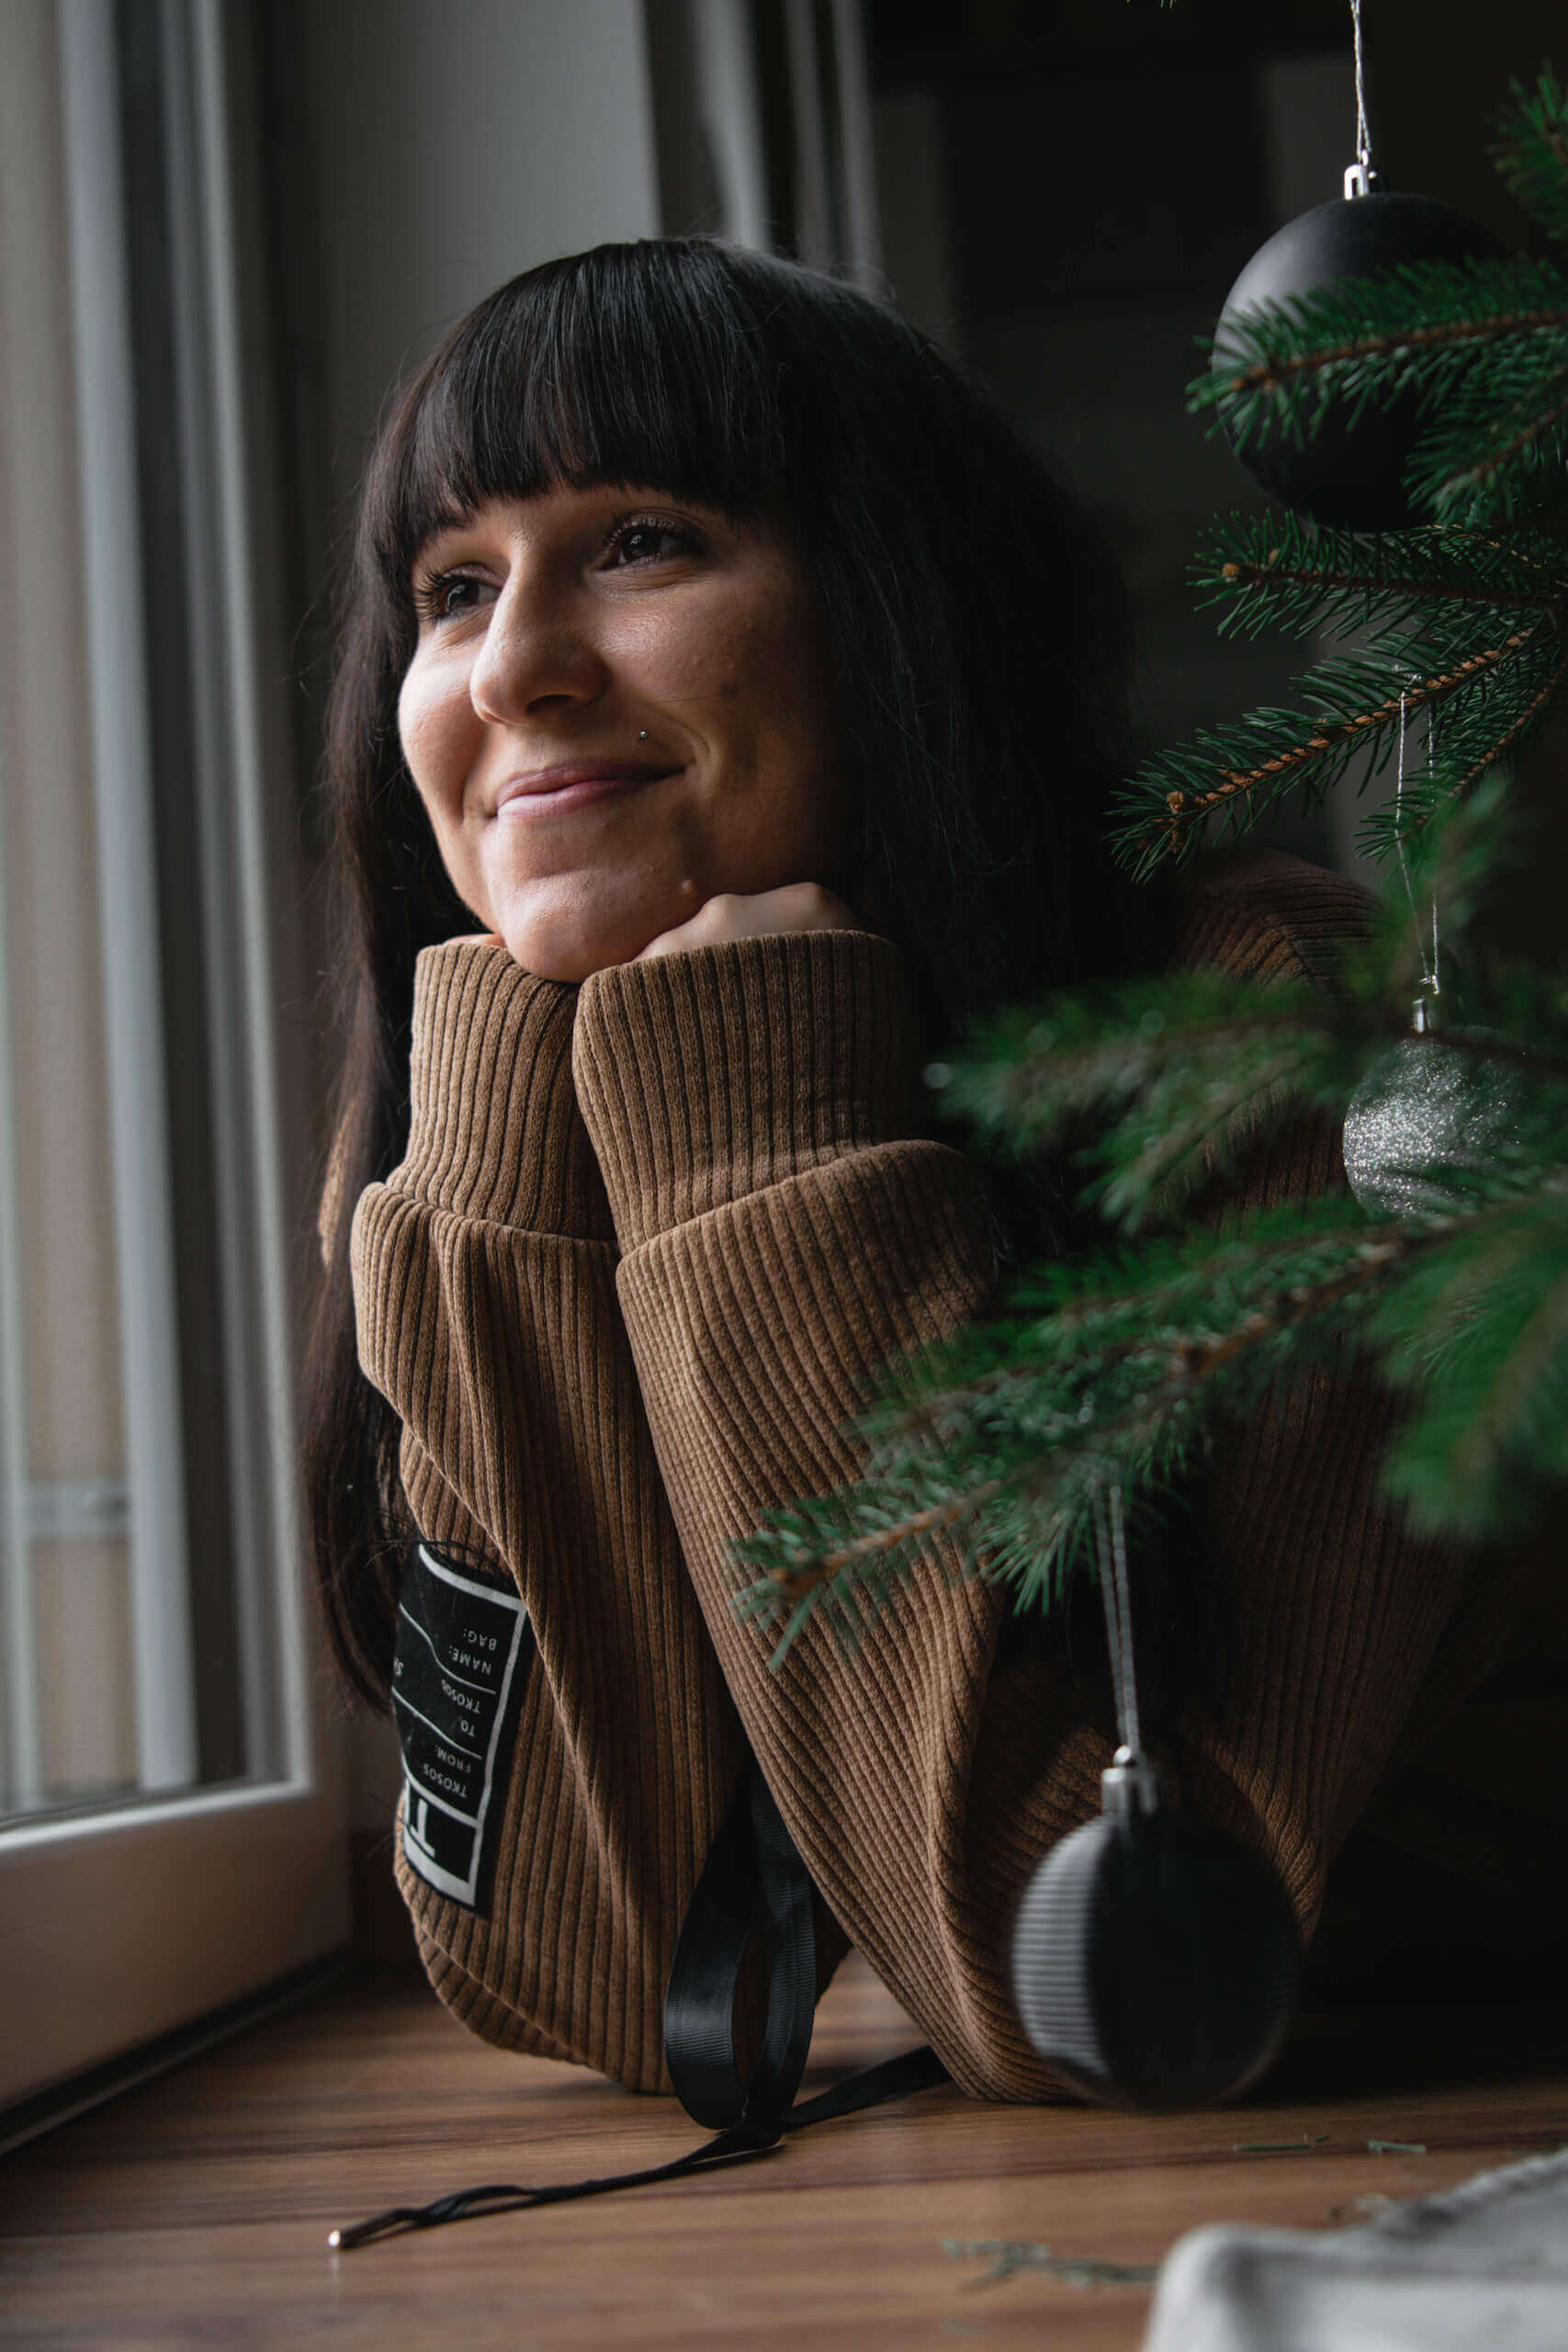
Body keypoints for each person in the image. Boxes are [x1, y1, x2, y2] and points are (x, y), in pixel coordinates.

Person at [302, 237, 1525, 2106]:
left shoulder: (1286, 1049)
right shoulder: (530, 1097)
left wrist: (756, 1119)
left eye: (640, 541)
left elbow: (1081, 1988)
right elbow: (586, 1975)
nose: (516, 667)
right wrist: (494, 1144)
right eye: (452, 584)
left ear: (894, 610)